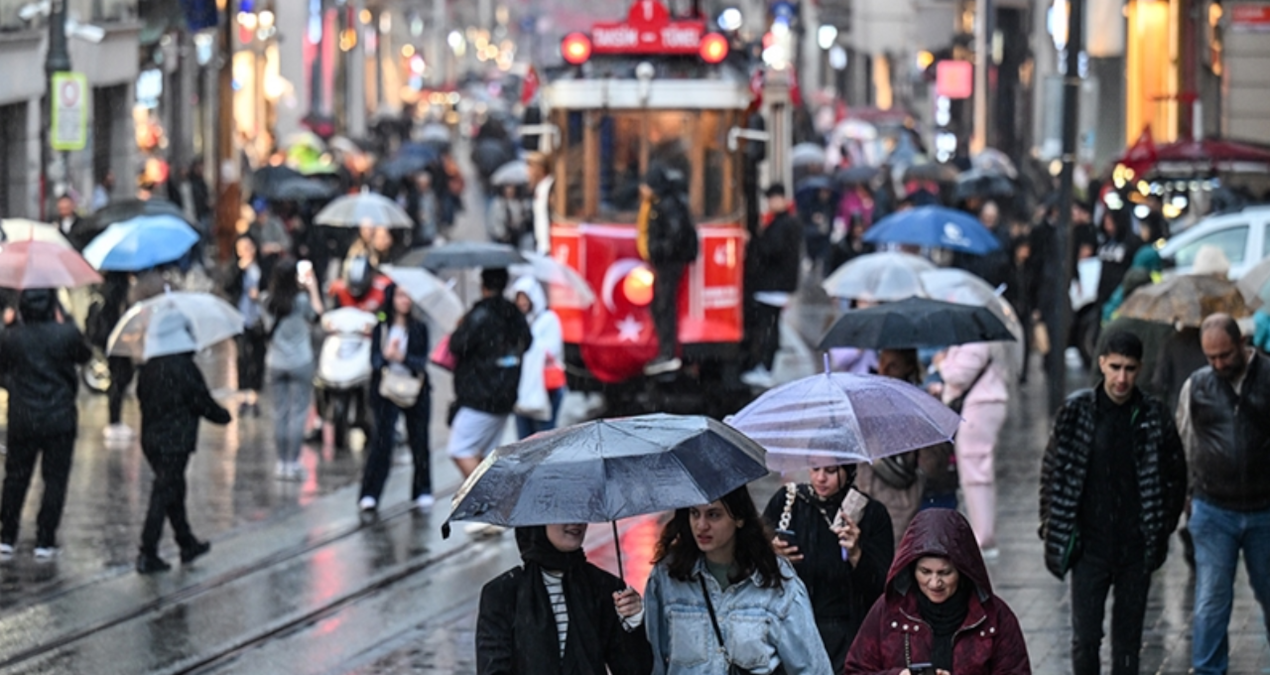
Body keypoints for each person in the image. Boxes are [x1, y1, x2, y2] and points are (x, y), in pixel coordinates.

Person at [1039, 330, 1187, 675]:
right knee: (1086, 639)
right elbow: (1052, 472)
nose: (1122, 378)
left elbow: (1176, 475)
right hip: (1090, 547)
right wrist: (1053, 523)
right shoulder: (1077, 412)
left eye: (1130, 369)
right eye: (1116, 367)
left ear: (1140, 369)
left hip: (1135, 547)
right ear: (1102, 363)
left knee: (1128, 642)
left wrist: (1161, 526)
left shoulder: (1153, 415)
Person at [645, 486, 834, 674]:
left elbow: (813, 668)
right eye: (694, 513)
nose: (701, 525)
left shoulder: (775, 580)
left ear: (739, 518)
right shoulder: (667, 577)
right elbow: (653, 661)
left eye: (713, 515)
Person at [1176, 314, 1270, 675]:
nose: (1218, 364)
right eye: (1210, 357)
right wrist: (1184, 496)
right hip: (1214, 508)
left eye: (1225, 355)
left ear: (1242, 345)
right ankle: (1208, 670)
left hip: (1264, 508)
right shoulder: (1197, 387)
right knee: (1212, 600)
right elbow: (1183, 442)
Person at [843, 509, 1032, 675]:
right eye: (925, 572)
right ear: (911, 569)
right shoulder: (888, 610)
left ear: (962, 571)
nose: (935, 583)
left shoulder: (994, 616)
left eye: (945, 573)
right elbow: (856, 670)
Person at [762, 465, 894, 668]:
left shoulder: (871, 513)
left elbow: (882, 587)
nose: (820, 478)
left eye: (831, 470)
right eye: (814, 468)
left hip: (848, 633)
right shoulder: (789, 502)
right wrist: (771, 554)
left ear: (848, 471)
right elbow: (755, 564)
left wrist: (857, 555)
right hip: (794, 629)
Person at [475, 524, 652, 674]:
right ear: (537, 521)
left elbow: (634, 670)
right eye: (562, 513)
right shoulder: (503, 593)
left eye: (581, 510)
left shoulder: (605, 586)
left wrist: (632, 622)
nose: (575, 522)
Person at [134, 313, 232, 573]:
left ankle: (186, 541)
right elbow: (201, 400)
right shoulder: (184, 367)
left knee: (172, 489)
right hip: (175, 441)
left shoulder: (149, 368)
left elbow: (143, 398)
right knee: (164, 491)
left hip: (151, 439)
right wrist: (224, 416)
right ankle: (148, 550)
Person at [0, 289, 92, 558]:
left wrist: (15, 387)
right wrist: (69, 322)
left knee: (16, 478)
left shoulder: (12, 336)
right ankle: (45, 539)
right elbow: (84, 355)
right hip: (59, 418)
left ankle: (7, 535)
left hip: (23, 417)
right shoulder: (66, 334)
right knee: (55, 480)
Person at [446, 268, 533, 480]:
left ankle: (489, 498)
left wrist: (462, 326)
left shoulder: (479, 315)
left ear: (483, 286)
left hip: (479, 395)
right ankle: (490, 502)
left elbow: (457, 345)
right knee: (486, 453)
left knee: (460, 449)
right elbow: (527, 342)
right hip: (505, 393)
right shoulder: (513, 314)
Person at [358, 284, 434, 513]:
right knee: (382, 441)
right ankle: (370, 493)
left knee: (419, 441)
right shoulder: (381, 327)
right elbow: (374, 361)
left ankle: (422, 489)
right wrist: (386, 356)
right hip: (386, 390)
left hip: (414, 389)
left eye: (408, 296)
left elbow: (421, 362)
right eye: (401, 295)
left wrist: (402, 358)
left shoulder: (419, 327)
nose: (405, 301)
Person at [932, 341, 1010, 556]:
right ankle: (980, 535)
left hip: (980, 407)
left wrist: (942, 363)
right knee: (973, 472)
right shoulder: (971, 338)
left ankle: (982, 538)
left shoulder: (976, 340)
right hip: (979, 404)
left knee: (976, 472)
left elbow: (959, 375)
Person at [263, 258, 324, 481]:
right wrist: (313, 288)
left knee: (279, 413)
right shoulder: (301, 301)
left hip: (275, 362)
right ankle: (294, 461)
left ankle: (281, 462)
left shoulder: (266, 302)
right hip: (301, 361)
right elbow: (318, 315)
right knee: (298, 413)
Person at [857, 349, 925, 543]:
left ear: (908, 367)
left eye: (892, 365)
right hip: (865, 489)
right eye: (881, 362)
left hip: (897, 496)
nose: (884, 370)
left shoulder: (913, 404)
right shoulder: (868, 398)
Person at [636, 162, 698, 376]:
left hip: (669, 264)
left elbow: (675, 235)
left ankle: (668, 353)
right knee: (661, 304)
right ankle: (667, 352)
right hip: (667, 263)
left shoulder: (666, 205)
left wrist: (657, 250)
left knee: (664, 305)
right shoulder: (664, 203)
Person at [741, 183, 803, 389]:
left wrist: (755, 241)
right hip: (778, 285)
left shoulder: (782, 224)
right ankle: (766, 367)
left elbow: (771, 250)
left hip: (772, 285)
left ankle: (766, 368)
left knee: (768, 326)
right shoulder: (788, 222)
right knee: (771, 326)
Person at [509, 276, 566, 439]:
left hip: (546, 389)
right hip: (522, 391)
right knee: (524, 442)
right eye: (519, 298)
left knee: (544, 440)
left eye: (525, 298)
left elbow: (550, 349)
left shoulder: (548, 320)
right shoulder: (517, 323)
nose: (522, 303)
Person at [225, 234, 266, 416]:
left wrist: (260, 295)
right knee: (242, 357)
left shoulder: (261, 268)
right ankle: (242, 395)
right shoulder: (235, 268)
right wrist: (240, 270)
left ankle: (254, 396)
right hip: (240, 318)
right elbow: (227, 286)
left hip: (257, 318)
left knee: (257, 357)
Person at [528, 152, 554, 255]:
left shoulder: (551, 187)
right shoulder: (538, 188)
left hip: (550, 246)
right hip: (541, 246)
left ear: (540, 169)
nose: (528, 173)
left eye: (531, 168)